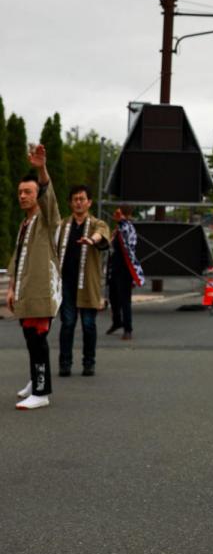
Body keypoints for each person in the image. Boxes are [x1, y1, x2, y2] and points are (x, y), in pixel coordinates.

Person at [6, 145, 61, 410]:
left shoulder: (46, 220)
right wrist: (12, 288)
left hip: (41, 290)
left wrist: (41, 169)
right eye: (20, 192)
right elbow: (16, 259)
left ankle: (42, 392)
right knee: (30, 338)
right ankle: (35, 379)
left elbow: (51, 201)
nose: (23, 196)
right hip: (26, 290)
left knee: (37, 339)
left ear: (38, 195)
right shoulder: (24, 224)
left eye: (28, 192)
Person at [55, 185, 111, 377]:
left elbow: (102, 235)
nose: (78, 202)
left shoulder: (97, 224)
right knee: (68, 322)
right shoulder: (62, 225)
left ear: (89, 202)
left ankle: (89, 363)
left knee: (88, 324)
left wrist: (91, 240)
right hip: (66, 283)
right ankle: (65, 363)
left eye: (82, 199)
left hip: (88, 282)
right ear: (70, 203)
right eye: (75, 199)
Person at [106, 207, 144, 338]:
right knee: (113, 297)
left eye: (118, 213)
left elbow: (126, 236)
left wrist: (121, 221)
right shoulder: (118, 230)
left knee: (124, 300)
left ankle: (128, 328)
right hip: (114, 268)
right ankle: (117, 322)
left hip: (125, 269)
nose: (115, 216)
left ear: (125, 215)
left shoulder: (128, 228)